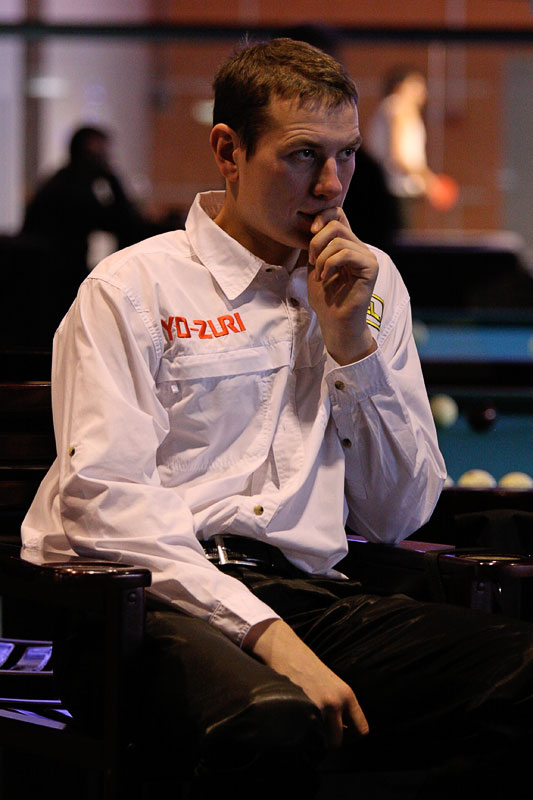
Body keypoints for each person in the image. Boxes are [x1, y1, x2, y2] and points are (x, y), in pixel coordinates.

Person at [21, 39, 533, 798]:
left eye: (346, 155)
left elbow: (398, 515)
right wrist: (269, 639)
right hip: (150, 605)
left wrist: (351, 345)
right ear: (228, 151)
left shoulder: (371, 284)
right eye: (301, 155)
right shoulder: (131, 288)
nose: (331, 185)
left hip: (311, 598)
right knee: (275, 721)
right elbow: (106, 506)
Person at [366, 67, 458, 224]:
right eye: (417, 84)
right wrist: (430, 182)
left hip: (386, 188)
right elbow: (400, 155)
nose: (423, 91)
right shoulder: (399, 107)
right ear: (400, 86)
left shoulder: (389, 108)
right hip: (395, 190)